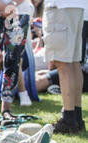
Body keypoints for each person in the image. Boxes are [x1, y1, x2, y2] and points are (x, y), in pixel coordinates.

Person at [42, 1, 87, 133]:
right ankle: (76, 117)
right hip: (78, 7)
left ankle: (68, 119)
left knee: (63, 63)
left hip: (61, 7)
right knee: (74, 62)